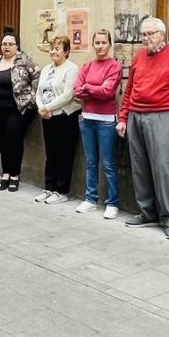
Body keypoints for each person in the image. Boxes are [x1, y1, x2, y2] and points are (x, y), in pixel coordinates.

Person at [117, 17, 169, 240]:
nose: (145, 38)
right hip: (136, 114)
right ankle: (147, 212)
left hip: (163, 115)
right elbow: (130, 88)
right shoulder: (139, 56)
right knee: (139, 166)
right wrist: (123, 118)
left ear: (162, 35)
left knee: (162, 167)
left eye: (150, 34)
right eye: (143, 34)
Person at [73, 30, 122, 219]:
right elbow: (77, 90)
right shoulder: (87, 66)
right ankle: (90, 199)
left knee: (108, 164)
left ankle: (112, 202)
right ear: (93, 44)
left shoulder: (114, 66)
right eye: (97, 42)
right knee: (91, 162)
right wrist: (93, 89)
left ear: (109, 44)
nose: (100, 46)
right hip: (87, 119)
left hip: (106, 121)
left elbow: (107, 92)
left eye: (103, 42)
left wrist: (88, 88)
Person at [0, 30, 40, 192]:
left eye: (10, 44)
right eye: (4, 44)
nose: (6, 47)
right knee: (4, 141)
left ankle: (15, 175)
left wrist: (32, 97)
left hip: (19, 109)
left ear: (16, 46)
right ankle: (5, 173)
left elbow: (37, 76)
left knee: (13, 140)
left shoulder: (24, 60)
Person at [33, 35, 81, 204]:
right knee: (50, 154)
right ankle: (49, 187)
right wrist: (41, 107)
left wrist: (48, 107)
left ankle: (61, 191)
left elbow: (68, 95)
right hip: (47, 116)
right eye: (51, 48)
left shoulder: (71, 68)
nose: (53, 51)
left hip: (64, 116)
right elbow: (39, 91)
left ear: (66, 51)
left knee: (63, 154)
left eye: (57, 48)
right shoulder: (46, 69)